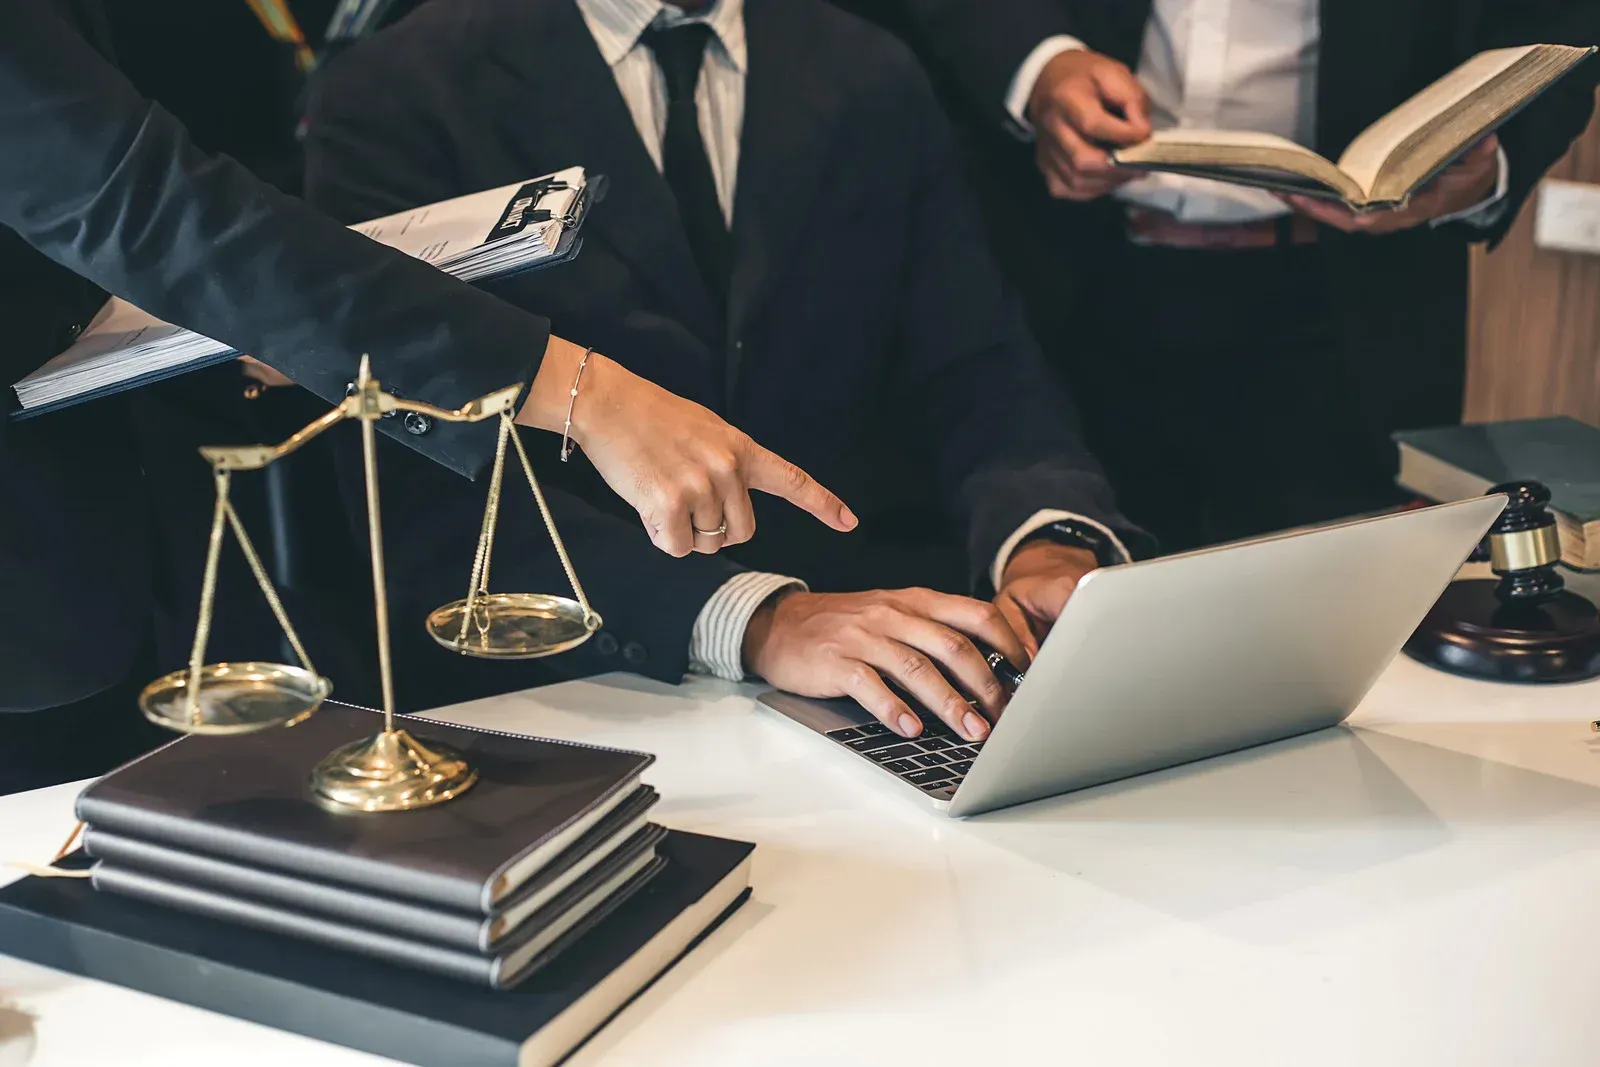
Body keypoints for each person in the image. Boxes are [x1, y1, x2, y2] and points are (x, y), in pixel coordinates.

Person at [302, 0, 1151, 742]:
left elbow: (976, 363)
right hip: (573, 694)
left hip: (868, 682)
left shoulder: (867, 66)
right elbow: (418, 488)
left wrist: (1046, 536)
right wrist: (751, 617)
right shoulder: (400, 87)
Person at [0, 0, 854, 728]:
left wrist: (255, 311)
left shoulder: (855, 65)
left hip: (114, 549)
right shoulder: (406, 79)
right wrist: (588, 396)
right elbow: (133, 198)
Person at [829, 0, 1600, 553]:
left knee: (1326, 656)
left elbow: (1561, 27)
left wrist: (1492, 164)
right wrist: (1038, 67)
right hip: (1055, 275)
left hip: (1348, 304)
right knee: (1064, 612)